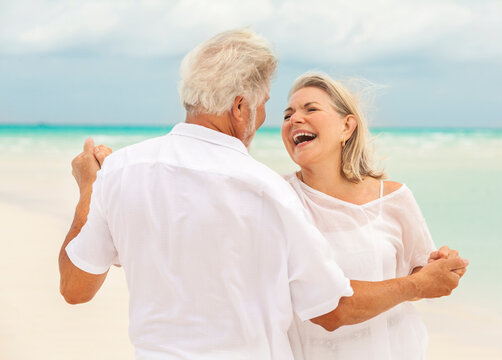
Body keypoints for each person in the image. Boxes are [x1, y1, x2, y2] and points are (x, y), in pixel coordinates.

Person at [58, 29, 468, 360]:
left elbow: (75, 289)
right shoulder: (267, 190)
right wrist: (417, 287)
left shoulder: (123, 171)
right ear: (240, 107)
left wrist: (88, 189)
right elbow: (332, 308)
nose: (274, 118)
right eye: (272, 106)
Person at [281, 72, 464, 359]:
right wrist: (416, 284)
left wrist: (439, 268)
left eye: (311, 109)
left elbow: (420, 280)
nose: (294, 120)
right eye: (287, 114)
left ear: (347, 126)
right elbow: (328, 309)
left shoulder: (394, 197)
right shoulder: (279, 200)